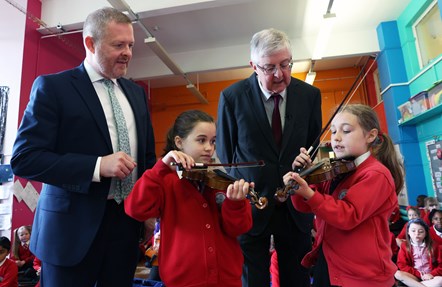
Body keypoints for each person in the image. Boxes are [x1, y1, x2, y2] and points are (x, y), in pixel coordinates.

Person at [11, 7, 156, 287]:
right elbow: (25, 158)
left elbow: (146, 158)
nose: (127, 52)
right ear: (90, 43)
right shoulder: (54, 88)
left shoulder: (137, 94)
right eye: (118, 45)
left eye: (130, 45)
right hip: (69, 234)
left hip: (125, 230)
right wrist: (98, 166)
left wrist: (149, 208)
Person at [216, 28, 322, 287]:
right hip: (253, 204)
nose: (279, 74)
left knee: (296, 277)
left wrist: (306, 163)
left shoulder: (309, 96)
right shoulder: (231, 97)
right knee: (253, 279)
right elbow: (228, 155)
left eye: (285, 64)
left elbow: (313, 146)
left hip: (295, 205)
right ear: (253, 65)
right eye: (269, 67)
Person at [125, 110, 253, 287]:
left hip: (227, 279)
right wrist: (160, 168)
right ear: (179, 142)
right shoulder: (164, 180)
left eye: (213, 141)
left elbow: (239, 228)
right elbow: (136, 209)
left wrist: (236, 204)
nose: (209, 148)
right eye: (201, 140)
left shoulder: (219, 182)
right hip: (183, 280)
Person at [285, 104, 404, 287]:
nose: (336, 138)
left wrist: (309, 193)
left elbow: (347, 215)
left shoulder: (375, 174)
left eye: (346, 130)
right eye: (333, 132)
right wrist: (301, 177)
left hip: (362, 274)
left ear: (370, 135)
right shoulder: (335, 170)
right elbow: (304, 205)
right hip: (329, 262)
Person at [395, 218, 442, 287]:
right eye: (413, 231)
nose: (416, 234)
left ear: (426, 233)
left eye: (421, 231)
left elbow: (441, 265)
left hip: (430, 277)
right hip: (414, 276)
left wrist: (432, 274)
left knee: (440, 281)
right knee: (397, 274)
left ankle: (413, 285)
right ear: (408, 232)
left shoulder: (434, 246)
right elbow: (402, 265)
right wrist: (418, 274)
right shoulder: (404, 246)